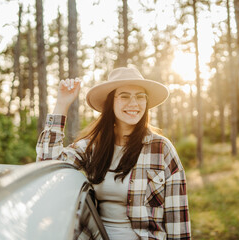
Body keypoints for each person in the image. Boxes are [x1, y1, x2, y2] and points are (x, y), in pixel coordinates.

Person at [36, 67, 191, 240]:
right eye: (124, 96)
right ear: (111, 102)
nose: (134, 103)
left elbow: (178, 220)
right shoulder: (93, 147)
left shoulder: (161, 149)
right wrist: (62, 104)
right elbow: (47, 165)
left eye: (140, 96)